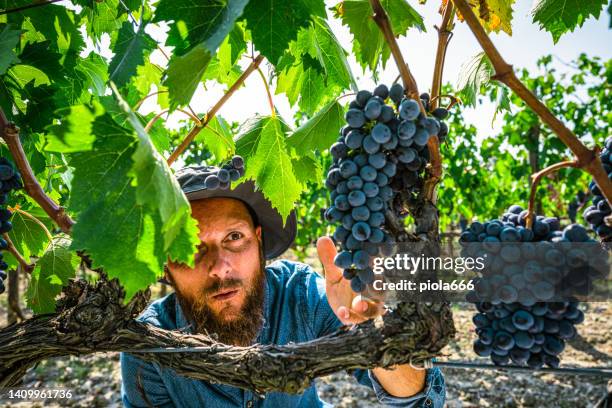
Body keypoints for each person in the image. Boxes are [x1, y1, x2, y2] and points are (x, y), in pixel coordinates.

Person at [120, 163, 445, 407]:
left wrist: (374, 333)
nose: (220, 267)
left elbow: (419, 399)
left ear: (259, 243)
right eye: (190, 248)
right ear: (164, 264)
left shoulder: (301, 294)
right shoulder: (148, 346)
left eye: (234, 237)